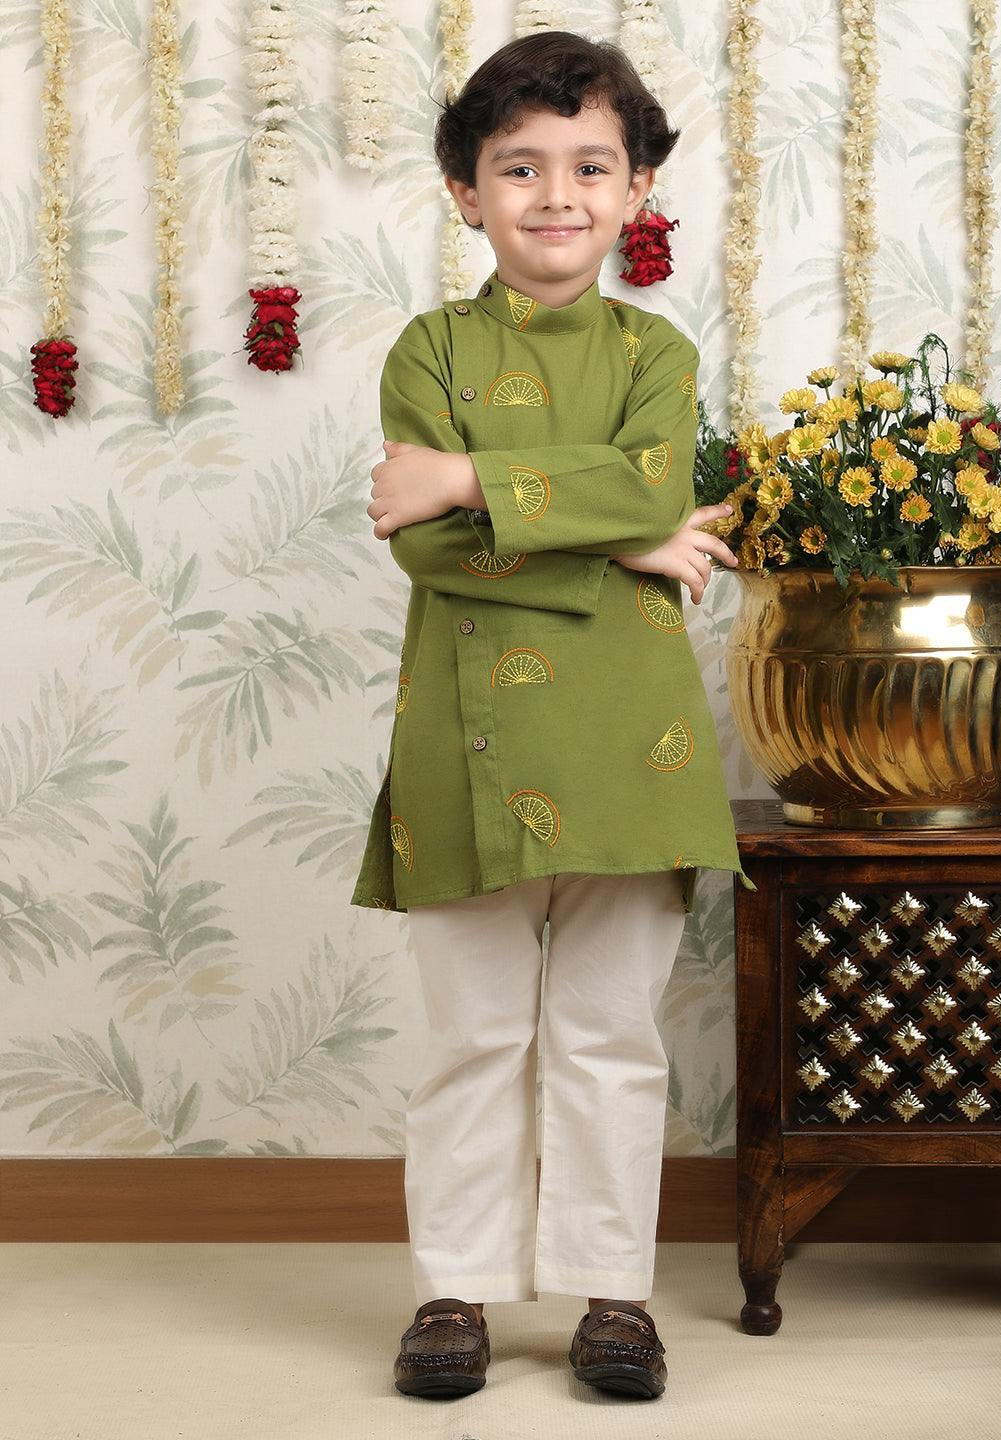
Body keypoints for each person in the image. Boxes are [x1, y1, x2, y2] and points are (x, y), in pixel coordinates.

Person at [353, 29, 742, 1401]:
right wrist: (631, 544)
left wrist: (475, 480)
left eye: (590, 165)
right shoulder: (429, 349)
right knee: (475, 1037)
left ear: (638, 189)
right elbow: (423, 547)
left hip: (635, 751)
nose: (556, 194)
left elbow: (652, 485)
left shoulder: (656, 351)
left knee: (609, 1039)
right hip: (466, 748)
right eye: (520, 167)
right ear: (467, 191)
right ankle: (451, 1291)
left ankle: (612, 1296)